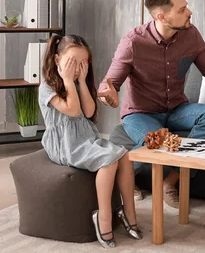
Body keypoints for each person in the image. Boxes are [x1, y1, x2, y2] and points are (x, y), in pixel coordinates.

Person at [98, 0, 205, 209]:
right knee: (159, 140)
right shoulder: (133, 42)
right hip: (140, 113)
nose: (190, 12)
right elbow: (109, 84)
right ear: (162, 17)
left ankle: (170, 181)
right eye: (182, 10)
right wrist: (108, 96)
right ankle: (121, 174)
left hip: (176, 109)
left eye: (187, 7)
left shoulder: (191, 35)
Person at [39, 34, 142, 249]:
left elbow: (87, 111)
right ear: (58, 61)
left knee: (123, 155)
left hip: (86, 138)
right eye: (72, 62)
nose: (77, 68)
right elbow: (73, 110)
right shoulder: (47, 87)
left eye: (83, 64)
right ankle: (103, 217)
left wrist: (81, 83)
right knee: (108, 161)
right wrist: (68, 80)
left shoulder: (79, 83)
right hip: (65, 144)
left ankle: (128, 212)